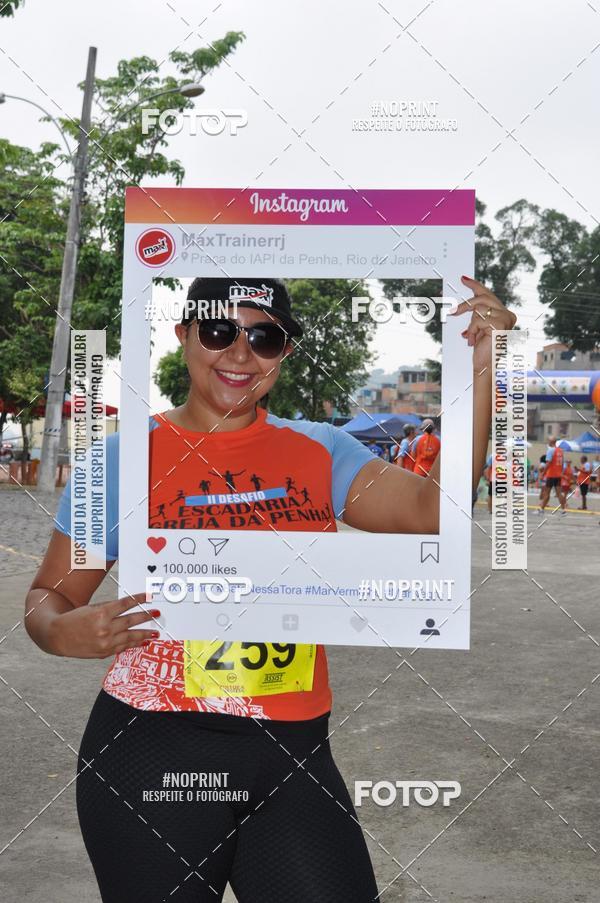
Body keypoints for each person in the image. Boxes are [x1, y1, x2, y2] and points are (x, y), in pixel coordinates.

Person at [25, 275, 516, 903]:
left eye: (264, 338)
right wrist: (60, 630)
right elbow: (49, 598)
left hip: (293, 748)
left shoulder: (319, 449)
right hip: (151, 748)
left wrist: (483, 370)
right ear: (184, 335)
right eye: (220, 330)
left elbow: (433, 509)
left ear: (283, 353)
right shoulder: (121, 460)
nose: (239, 354)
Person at [538, 437, 567, 515]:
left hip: (551, 475)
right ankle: (564, 509)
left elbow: (548, 463)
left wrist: (543, 473)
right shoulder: (560, 451)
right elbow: (562, 463)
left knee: (547, 492)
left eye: (548, 441)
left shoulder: (550, 450)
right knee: (559, 493)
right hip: (558, 475)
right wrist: (561, 473)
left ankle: (541, 509)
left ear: (551, 442)